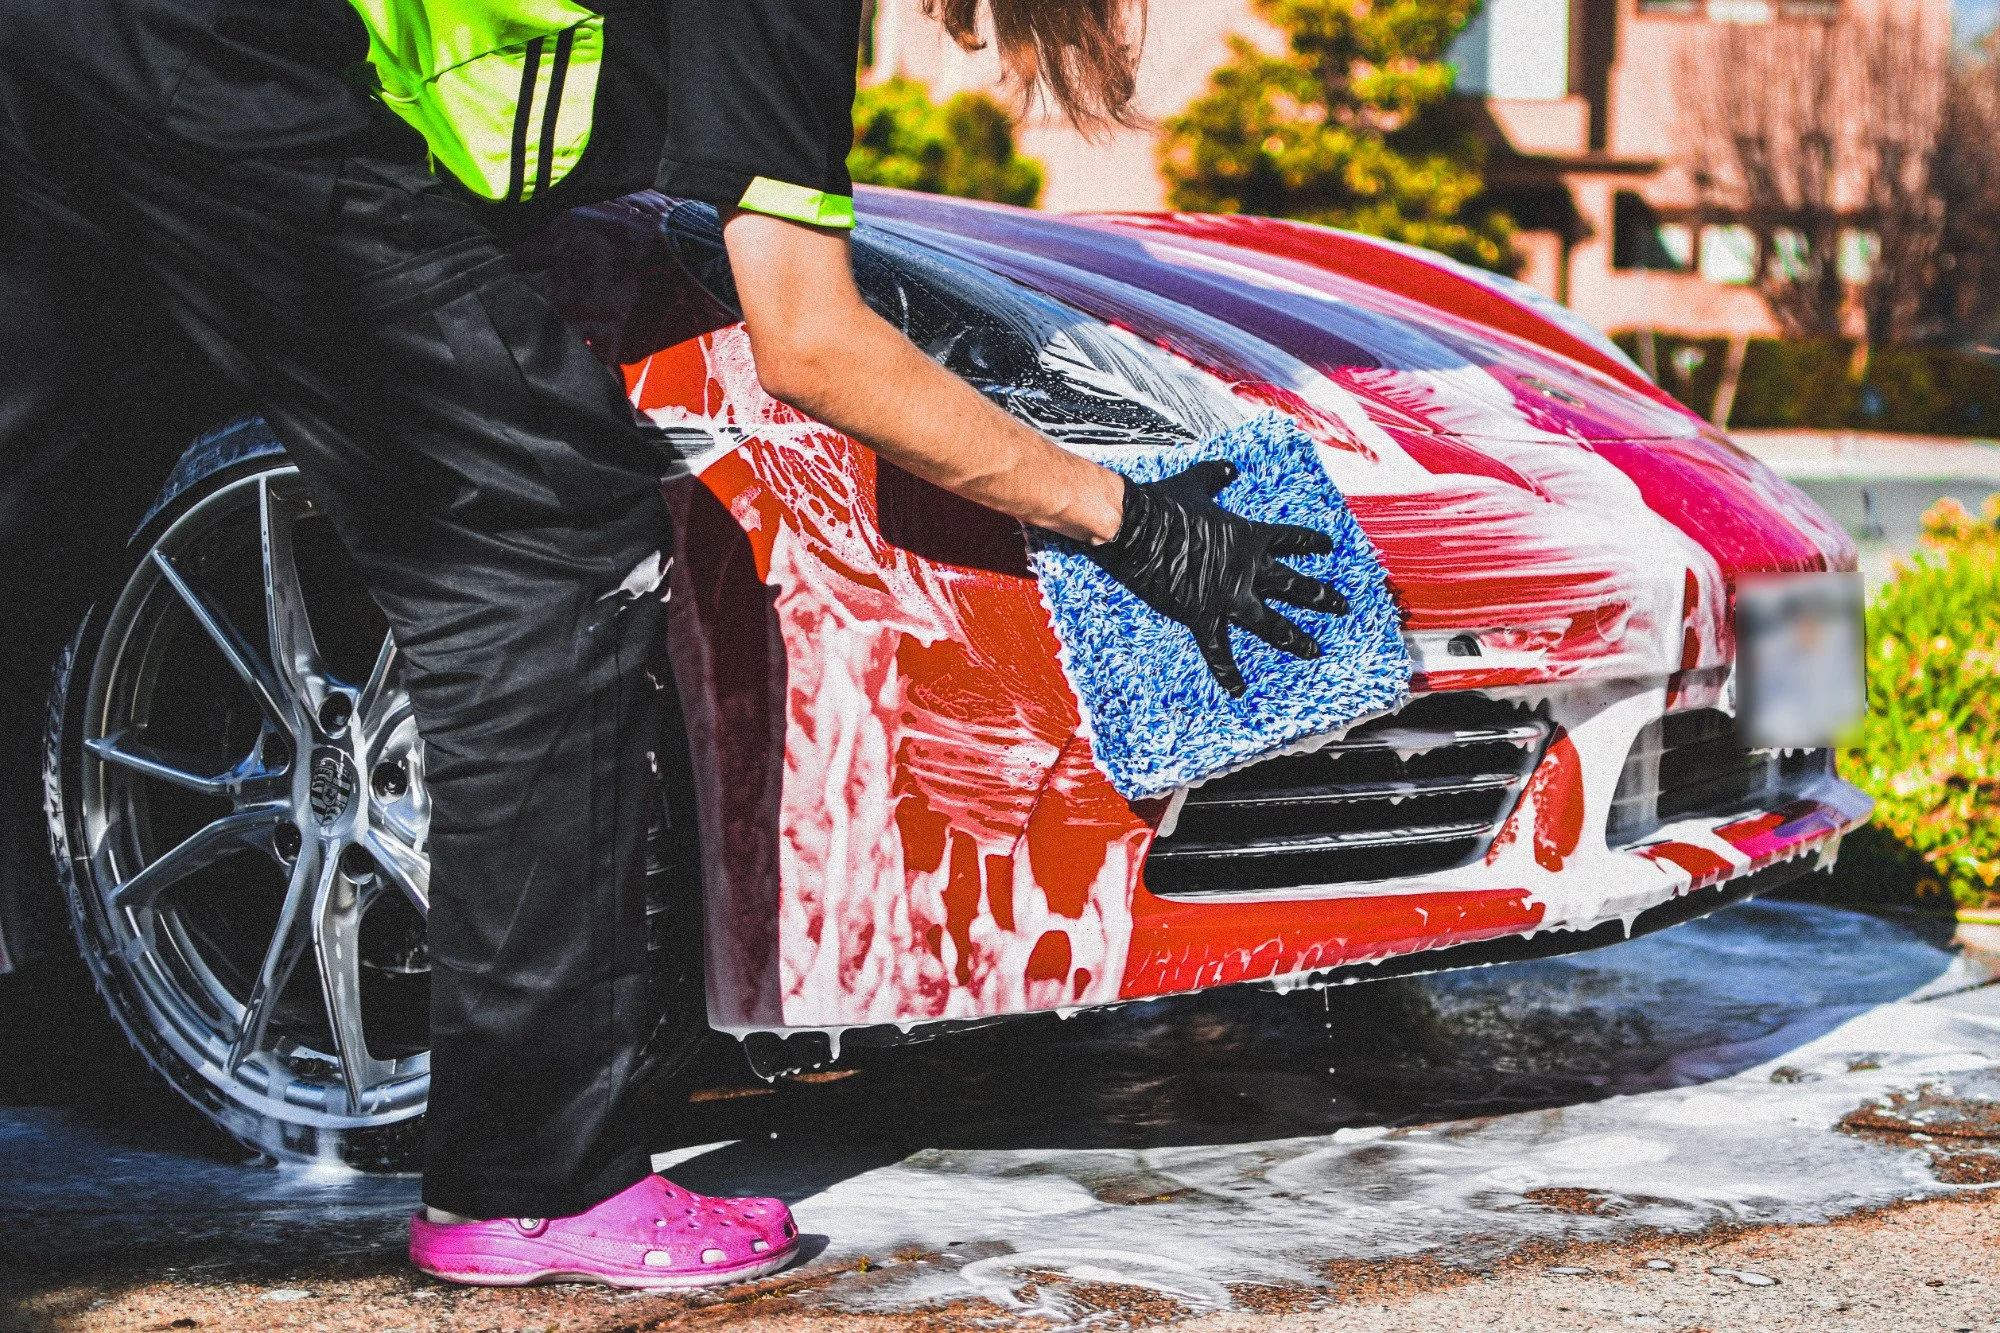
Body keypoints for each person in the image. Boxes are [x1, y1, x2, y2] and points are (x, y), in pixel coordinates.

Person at [0, 0, 1341, 1290]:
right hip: (205, 50)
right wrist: (1130, 521)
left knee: (54, 467)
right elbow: (813, 343)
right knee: (543, 525)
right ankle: (537, 1180)